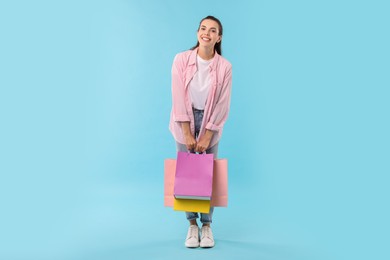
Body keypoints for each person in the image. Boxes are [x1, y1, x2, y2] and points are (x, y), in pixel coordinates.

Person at [169, 15, 232, 248]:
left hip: (210, 122)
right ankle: (191, 225)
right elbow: (178, 96)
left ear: (219, 37)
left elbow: (222, 104)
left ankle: (207, 225)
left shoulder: (225, 67)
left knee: (207, 174)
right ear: (198, 33)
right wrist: (186, 132)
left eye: (213, 30)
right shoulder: (181, 59)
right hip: (184, 119)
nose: (207, 32)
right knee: (187, 173)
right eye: (203, 28)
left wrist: (207, 134)